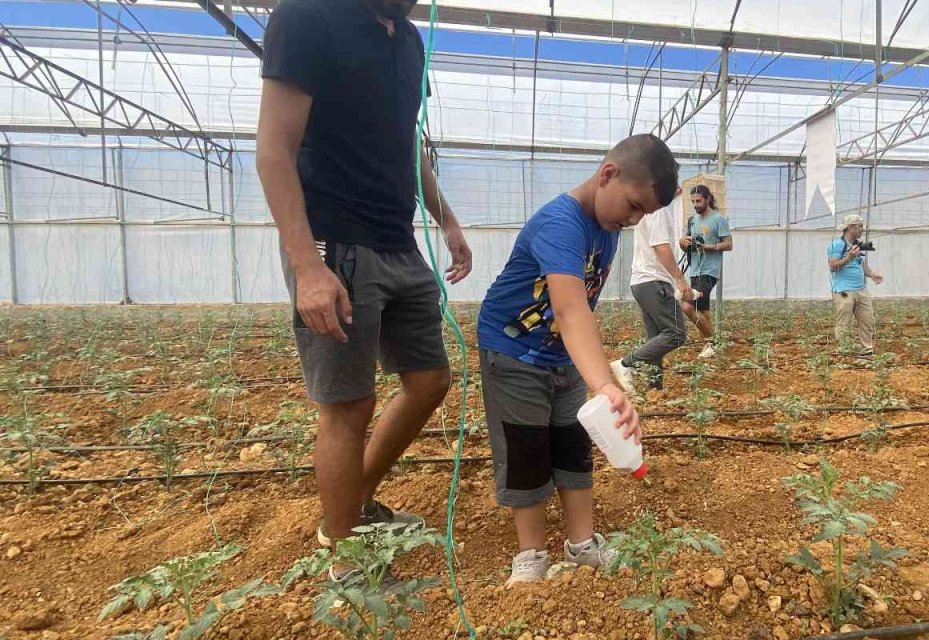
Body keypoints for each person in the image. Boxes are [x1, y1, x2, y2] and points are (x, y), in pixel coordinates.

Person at [256, 0, 473, 577]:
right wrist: (307, 267)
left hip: (398, 240)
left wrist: (445, 216)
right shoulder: (306, 17)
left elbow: (405, 144)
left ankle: (352, 506)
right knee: (348, 405)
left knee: (429, 380)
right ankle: (347, 560)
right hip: (335, 242)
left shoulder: (407, 41)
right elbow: (273, 148)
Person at [477, 134, 680, 585]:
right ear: (607, 174)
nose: (633, 220)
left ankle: (581, 543)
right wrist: (605, 383)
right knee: (526, 446)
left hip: (559, 353)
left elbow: (580, 312)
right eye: (632, 206)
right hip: (512, 349)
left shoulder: (606, 229)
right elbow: (569, 309)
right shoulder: (561, 223)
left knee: (573, 443)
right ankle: (530, 556)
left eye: (643, 214)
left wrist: (590, 373)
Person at [610, 192, 695, 394]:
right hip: (654, 281)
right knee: (676, 334)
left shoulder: (651, 208)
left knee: (656, 336)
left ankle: (654, 387)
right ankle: (625, 364)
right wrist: (680, 280)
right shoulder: (658, 209)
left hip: (643, 282)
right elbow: (661, 247)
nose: (679, 189)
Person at [679, 185, 733, 358]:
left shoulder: (718, 219)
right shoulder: (692, 220)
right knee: (703, 312)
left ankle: (713, 342)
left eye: (699, 201)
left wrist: (708, 247)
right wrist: (683, 241)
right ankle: (708, 349)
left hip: (709, 272)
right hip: (694, 270)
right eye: (693, 201)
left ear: (708, 199)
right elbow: (684, 242)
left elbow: (729, 244)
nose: (695, 204)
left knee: (687, 306)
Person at [827, 214, 884, 355]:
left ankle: (867, 350)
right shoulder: (836, 245)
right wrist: (849, 257)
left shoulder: (855, 245)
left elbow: (860, 263)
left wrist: (871, 274)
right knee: (844, 323)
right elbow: (832, 265)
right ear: (851, 227)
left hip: (861, 289)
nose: (862, 229)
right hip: (844, 290)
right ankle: (844, 351)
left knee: (867, 320)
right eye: (860, 226)